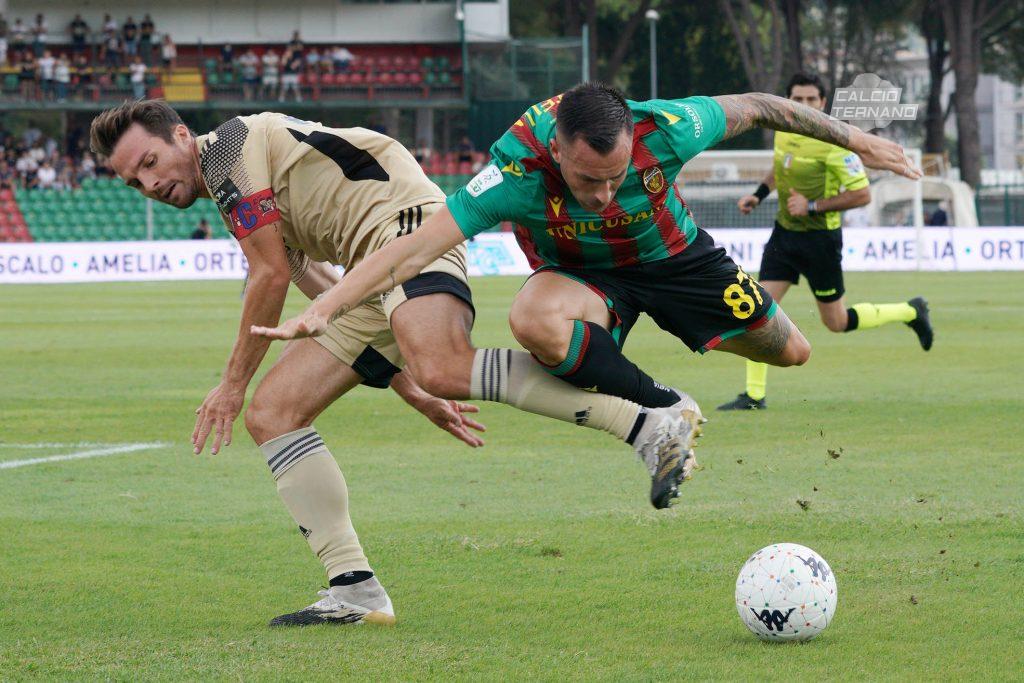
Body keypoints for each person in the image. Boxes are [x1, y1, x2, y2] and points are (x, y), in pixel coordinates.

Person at [89, 100, 694, 626]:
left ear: (177, 136)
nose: (148, 184)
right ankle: (355, 592)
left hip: (405, 231)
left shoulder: (224, 151)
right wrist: (403, 382)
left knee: (443, 366)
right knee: (274, 414)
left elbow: (270, 273)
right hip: (368, 272)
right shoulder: (236, 187)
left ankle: (646, 423)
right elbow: (314, 283)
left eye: (148, 163)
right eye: (131, 182)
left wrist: (229, 385)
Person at [251, 82, 923, 446]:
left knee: (794, 351)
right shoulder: (516, 169)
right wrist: (325, 306)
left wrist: (860, 138)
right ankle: (663, 406)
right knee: (530, 316)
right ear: (558, 152)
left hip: (679, 260)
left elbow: (763, 106)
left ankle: (675, 357)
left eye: (615, 177)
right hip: (584, 279)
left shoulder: (670, 127)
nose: (603, 195)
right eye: (586, 180)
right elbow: (412, 248)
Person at [718, 73, 934, 410]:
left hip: (821, 240)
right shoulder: (783, 132)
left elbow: (862, 194)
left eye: (810, 101)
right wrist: (758, 195)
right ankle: (754, 395)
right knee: (756, 310)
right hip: (785, 236)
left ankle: (910, 311)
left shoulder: (836, 143)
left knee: (836, 322)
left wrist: (812, 206)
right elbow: (780, 168)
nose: (803, 106)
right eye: (797, 100)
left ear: (822, 104)